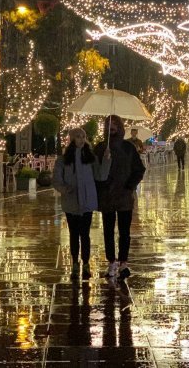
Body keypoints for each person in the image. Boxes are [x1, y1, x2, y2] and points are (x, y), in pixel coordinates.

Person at [53, 127, 111, 280]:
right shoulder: (63, 159)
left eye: (83, 136)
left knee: (85, 234)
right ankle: (74, 263)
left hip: (87, 200)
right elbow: (57, 180)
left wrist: (106, 160)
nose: (81, 139)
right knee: (73, 234)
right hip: (71, 201)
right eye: (78, 136)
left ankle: (85, 263)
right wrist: (65, 189)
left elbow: (101, 175)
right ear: (72, 139)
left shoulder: (90, 157)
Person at [94, 114, 146, 281]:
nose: (112, 127)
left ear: (120, 126)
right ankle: (111, 261)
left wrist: (129, 186)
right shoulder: (101, 148)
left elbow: (139, 169)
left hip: (124, 197)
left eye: (115, 124)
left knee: (124, 231)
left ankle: (123, 262)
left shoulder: (128, 148)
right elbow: (94, 171)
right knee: (108, 231)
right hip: (107, 196)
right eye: (108, 124)